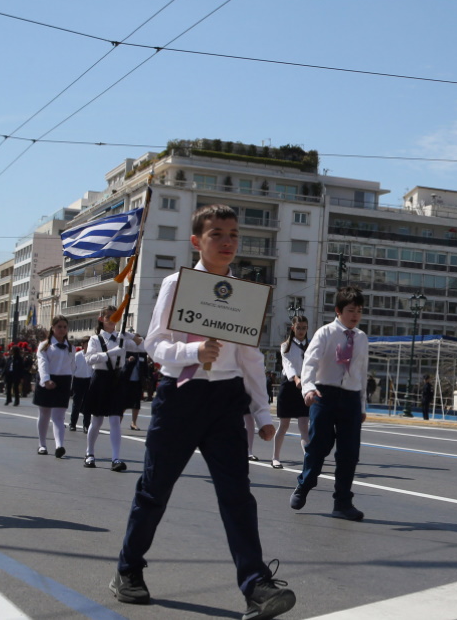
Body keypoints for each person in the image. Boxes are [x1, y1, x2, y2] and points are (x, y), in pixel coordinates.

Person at [112, 204, 295, 619]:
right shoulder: (177, 283)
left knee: (237, 496)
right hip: (180, 396)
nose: (227, 241)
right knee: (155, 490)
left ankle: (256, 586)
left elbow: (249, 358)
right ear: (197, 241)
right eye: (217, 234)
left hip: (226, 401)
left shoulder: (244, 294)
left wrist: (263, 415)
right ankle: (128, 570)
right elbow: (155, 344)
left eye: (233, 233)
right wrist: (193, 350)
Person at [289, 285, 369, 521]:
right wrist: (309, 389)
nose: (355, 315)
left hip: (351, 398)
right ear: (338, 311)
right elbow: (309, 364)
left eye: (359, 311)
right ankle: (304, 485)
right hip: (324, 395)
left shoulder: (362, 338)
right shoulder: (325, 333)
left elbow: (362, 373)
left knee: (349, 453)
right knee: (318, 446)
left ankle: (342, 503)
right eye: (351, 310)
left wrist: (362, 406)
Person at [82, 306, 136, 472]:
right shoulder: (95, 339)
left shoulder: (122, 337)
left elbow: (142, 347)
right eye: (108, 317)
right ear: (101, 319)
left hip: (116, 380)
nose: (112, 320)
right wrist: (111, 353)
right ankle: (89, 454)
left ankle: (115, 458)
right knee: (97, 420)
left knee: (115, 420)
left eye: (115, 317)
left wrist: (133, 337)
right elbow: (89, 359)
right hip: (101, 378)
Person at [34, 315, 75, 458]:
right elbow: (42, 364)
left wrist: (72, 384)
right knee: (44, 414)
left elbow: (72, 367)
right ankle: (42, 444)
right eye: (59, 326)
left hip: (63, 381)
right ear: (53, 328)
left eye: (65, 327)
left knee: (59, 416)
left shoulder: (71, 347)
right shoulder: (44, 346)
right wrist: (46, 380)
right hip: (47, 380)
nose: (62, 329)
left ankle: (59, 445)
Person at [273, 316, 311, 469]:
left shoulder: (310, 346)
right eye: (299, 327)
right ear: (293, 328)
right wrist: (296, 379)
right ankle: (275, 457)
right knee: (284, 425)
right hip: (289, 387)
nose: (301, 331)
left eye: (304, 327)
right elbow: (288, 365)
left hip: (304, 388)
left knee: (304, 426)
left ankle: (309, 460)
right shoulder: (286, 346)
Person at [123, 336, 146, 431]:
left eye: (139, 340)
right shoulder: (127, 351)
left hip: (137, 381)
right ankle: (118, 421)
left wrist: (146, 378)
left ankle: (134, 423)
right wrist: (128, 361)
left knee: (136, 404)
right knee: (123, 403)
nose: (138, 342)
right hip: (126, 381)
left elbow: (144, 367)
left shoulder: (142, 354)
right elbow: (120, 363)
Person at [70, 344, 92, 432]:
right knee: (77, 403)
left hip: (89, 380)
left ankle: (86, 425)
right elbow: (72, 369)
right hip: (78, 380)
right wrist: (71, 383)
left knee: (88, 404)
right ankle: (73, 423)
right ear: (83, 345)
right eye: (87, 344)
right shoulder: (78, 355)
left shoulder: (93, 355)